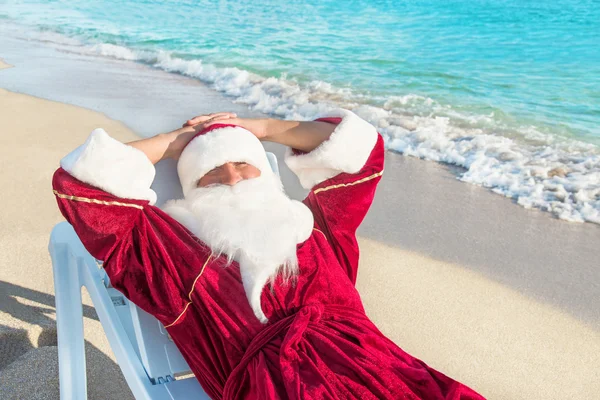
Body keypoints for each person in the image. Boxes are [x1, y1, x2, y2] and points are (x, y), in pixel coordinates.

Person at [53, 109, 484, 400]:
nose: (232, 176)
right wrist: (175, 142)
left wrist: (259, 127)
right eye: (211, 171)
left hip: (379, 365)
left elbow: (362, 150)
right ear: (191, 187)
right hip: (271, 383)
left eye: (244, 163)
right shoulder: (170, 252)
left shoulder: (314, 227)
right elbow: (81, 184)